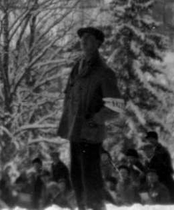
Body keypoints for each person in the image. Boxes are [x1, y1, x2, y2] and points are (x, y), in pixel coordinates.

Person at [57, 26, 123, 210]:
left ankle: (96, 208)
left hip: (91, 133)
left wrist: (96, 119)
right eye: (82, 38)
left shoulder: (104, 72)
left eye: (88, 38)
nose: (83, 41)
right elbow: (69, 96)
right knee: (76, 176)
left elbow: (115, 107)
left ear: (98, 44)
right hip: (74, 131)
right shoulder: (77, 67)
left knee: (90, 177)